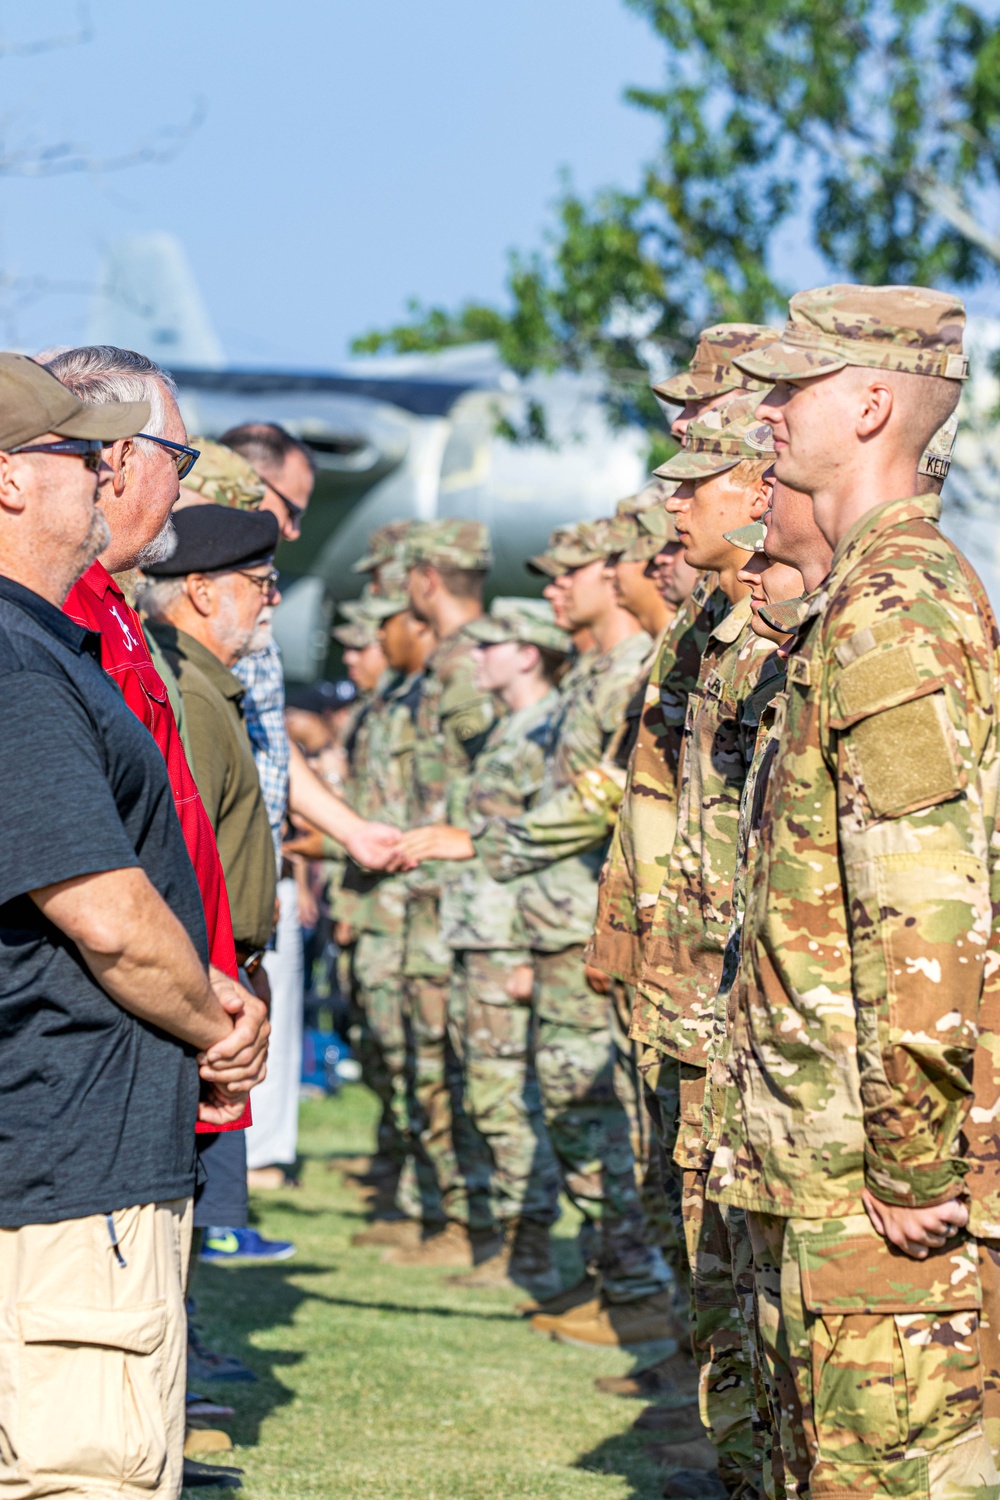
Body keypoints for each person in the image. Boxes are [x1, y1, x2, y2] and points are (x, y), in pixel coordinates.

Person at [712, 284, 1000, 1498]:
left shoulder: (895, 607)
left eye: (793, 388)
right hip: (821, 1163)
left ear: (874, 403)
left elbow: (925, 915)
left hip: (875, 1192)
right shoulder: (850, 603)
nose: (764, 412)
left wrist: (913, 1161)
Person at [0, 353, 261, 1500]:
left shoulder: (41, 641)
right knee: (83, 1472)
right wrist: (217, 1024)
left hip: (68, 1152)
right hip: (65, 1166)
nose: (104, 472)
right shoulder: (14, 660)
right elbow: (103, 914)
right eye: (77, 451)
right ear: (8, 481)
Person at [466, 520, 678, 1346]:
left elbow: (616, 796)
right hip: (568, 922)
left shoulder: (639, 666)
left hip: (604, 928)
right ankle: (625, 1291)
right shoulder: (602, 669)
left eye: (573, 571)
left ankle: (640, 1302)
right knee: (588, 1114)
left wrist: (493, 847)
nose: (556, 587)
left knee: (615, 1121)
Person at [396, 599, 569, 1296]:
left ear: (528, 653)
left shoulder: (548, 733)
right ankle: (507, 1240)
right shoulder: (510, 730)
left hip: (512, 939)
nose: (476, 657)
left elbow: (557, 849)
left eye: (492, 645)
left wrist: (534, 952)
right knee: (485, 1093)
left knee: (507, 1099)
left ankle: (530, 1251)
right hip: (480, 934)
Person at [381, 519, 501, 1269]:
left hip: (460, 896)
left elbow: (492, 773)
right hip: (436, 894)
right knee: (437, 1060)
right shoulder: (456, 659)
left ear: (427, 579)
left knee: (460, 1063)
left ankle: (474, 1224)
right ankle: (457, 1218)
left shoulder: (468, 662)